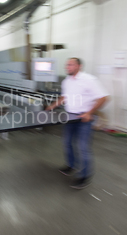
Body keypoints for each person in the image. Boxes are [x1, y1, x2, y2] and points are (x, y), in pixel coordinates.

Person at [46, 58, 109, 189]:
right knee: (67, 142)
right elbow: (64, 97)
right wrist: (52, 106)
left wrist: (89, 112)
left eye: (70, 65)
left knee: (83, 147)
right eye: (66, 65)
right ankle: (71, 165)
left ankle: (85, 176)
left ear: (79, 66)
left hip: (84, 119)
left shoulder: (89, 80)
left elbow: (103, 98)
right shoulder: (66, 81)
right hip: (70, 117)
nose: (67, 67)